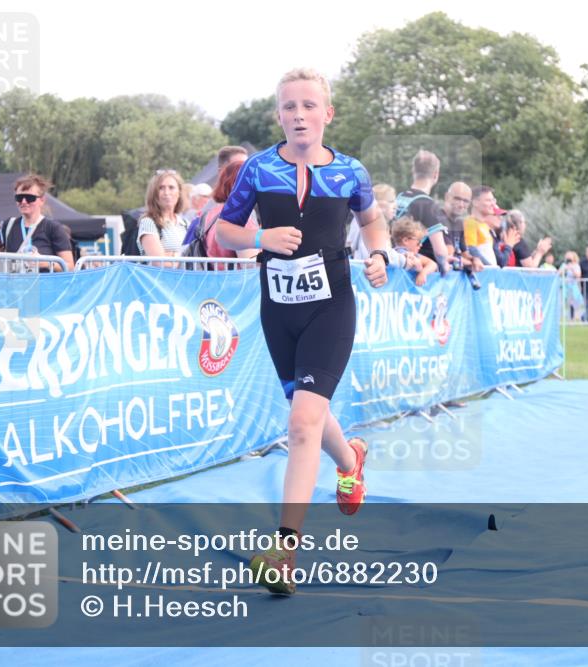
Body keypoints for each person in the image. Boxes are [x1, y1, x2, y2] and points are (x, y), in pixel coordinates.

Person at [216, 67, 390, 595]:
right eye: (289, 107)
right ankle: (351, 458)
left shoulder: (350, 172)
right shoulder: (258, 170)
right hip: (279, 309)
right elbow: (224, 229)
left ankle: (285, 550)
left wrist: (378, 254)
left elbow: (370, 221)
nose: (299, 115)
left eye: (309, 106)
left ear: (327, 114)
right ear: (278, 116)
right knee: (309, 416)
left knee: (300, 423)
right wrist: (262, 235)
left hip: (331, 307)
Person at [0, 174, 75, 272]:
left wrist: (44, 262)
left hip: (45, 286)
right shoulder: (8, 225)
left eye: (30, 198)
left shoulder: (53, 228)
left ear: (42, 200)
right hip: (15, 286)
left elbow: (70, 266)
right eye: (19, 197)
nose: (24, 202)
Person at [395, 150, 450, 276]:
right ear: (436, 174)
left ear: (413, 171)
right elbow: (440, 252)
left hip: (394, 262)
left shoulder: (399, 197)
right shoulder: (429, 205)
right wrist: (445, 267)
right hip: (414, 272)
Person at [137, 170, 188, 266]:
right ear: (154, 194)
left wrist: (172, 256)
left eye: (171, 187)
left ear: (179, 192)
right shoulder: (148, 222)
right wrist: (183, 257)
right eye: (161, 188)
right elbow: (160, 263)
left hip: (185, 280)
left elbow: (195, 257)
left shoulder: (186, 224)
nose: (166, 192)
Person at [392, 216, 438, 286]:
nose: (421, 245)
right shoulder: (404, 253)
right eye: (419, 241)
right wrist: (422, 272)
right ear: (405, 240)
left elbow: (433, 264)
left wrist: (423, 272)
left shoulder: (391, 253)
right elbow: (432, 264)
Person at [464, 186, 500, 266]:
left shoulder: (484, 225)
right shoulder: (470, 223)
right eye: (488, 200)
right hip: (482, 274)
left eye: (493, 200)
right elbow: (471, 249)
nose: (493, 204)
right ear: (475, 202)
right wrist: (490, 267)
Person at [559, 251, 584, 321]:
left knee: (574, 302)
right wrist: (564, 269)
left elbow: (578, 275)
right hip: (565, 286)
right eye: (567, 256)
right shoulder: (564, 265)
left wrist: (571, 269)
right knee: (565, 302)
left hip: (573, 286)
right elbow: (558, 274)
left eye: (569, 256)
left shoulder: (576, 265)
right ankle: (566, 317)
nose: (568, 257)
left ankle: (575, 317)